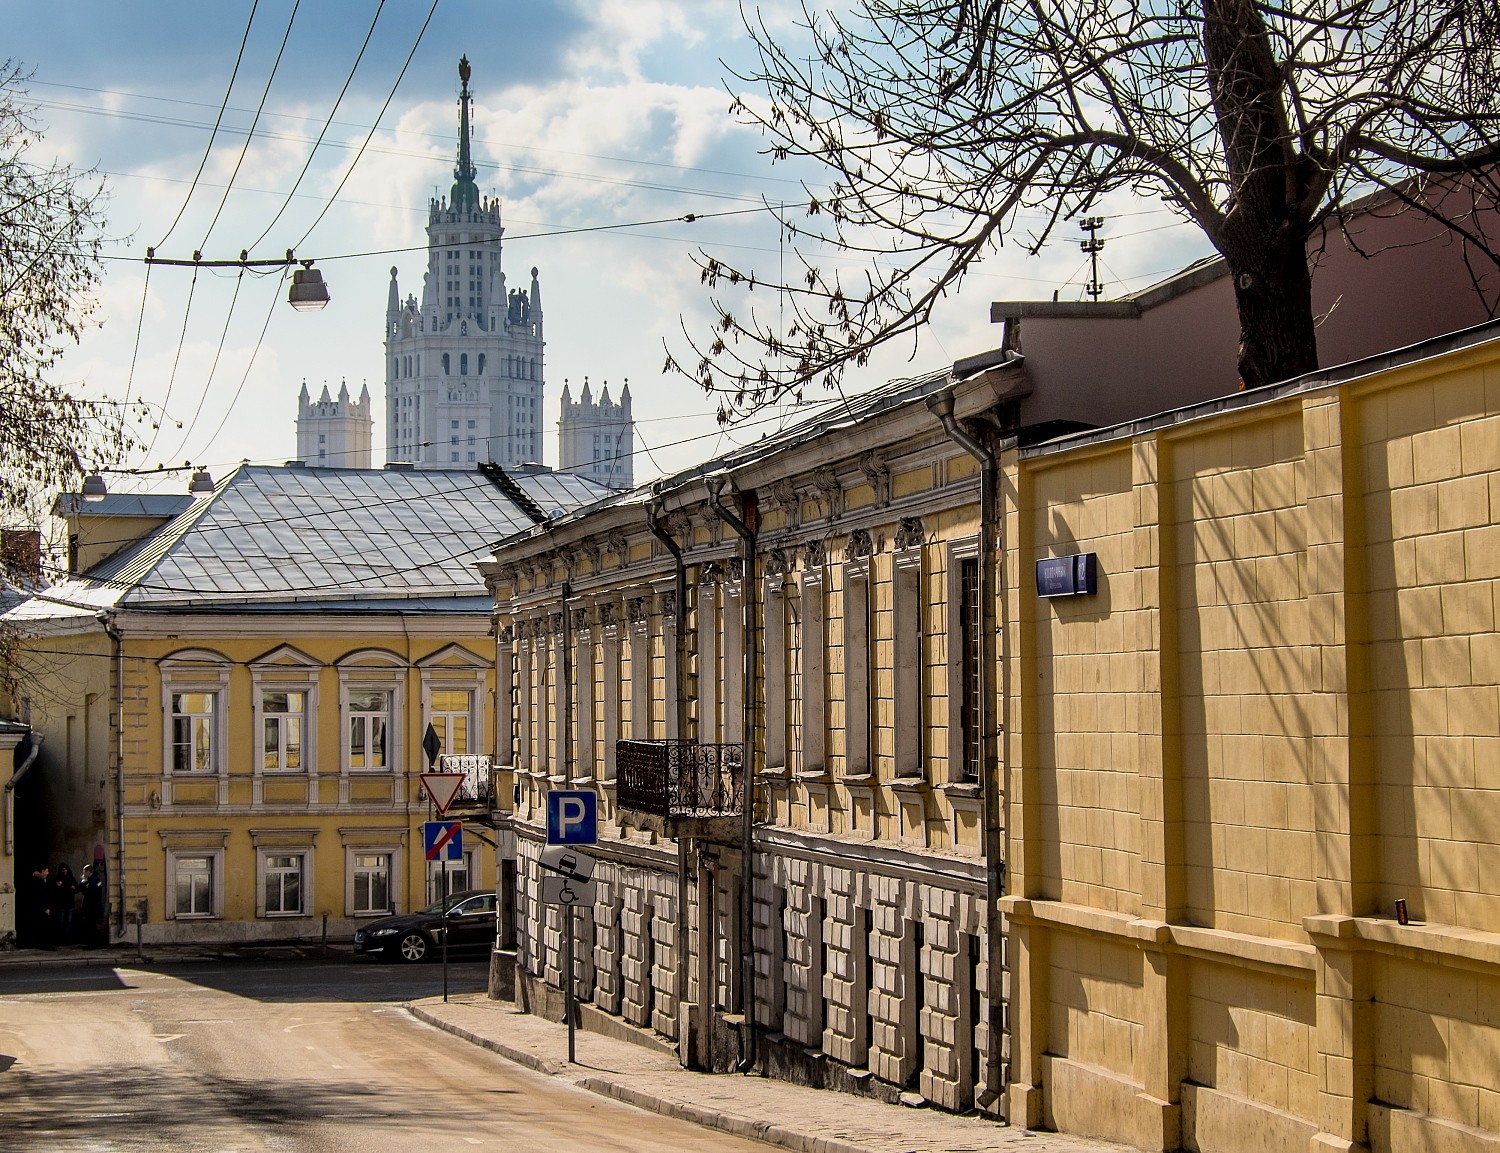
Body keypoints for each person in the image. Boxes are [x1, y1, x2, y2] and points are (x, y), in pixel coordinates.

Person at [51, 862, 78, 944]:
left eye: (65, 869)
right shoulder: (57, 878)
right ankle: (60, 939)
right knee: (61, 921)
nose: (64, 871)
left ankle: (67, 939)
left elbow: (76, 888)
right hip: (61, 904)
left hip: (69, 903)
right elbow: (54, 889)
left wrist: (72, 888)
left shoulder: (71, 878)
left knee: (68, 922)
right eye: (62, 870)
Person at [80, 863, 106, 948]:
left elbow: (90, 892)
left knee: (92, 925)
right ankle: (90, 942)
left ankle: (94, 943)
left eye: (84, 872)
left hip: (93, 906)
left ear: (89, 872)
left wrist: (83, 886)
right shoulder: (89, 880)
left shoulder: (95, 880)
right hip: (90, 906)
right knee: (89, 924)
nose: (83, 874)